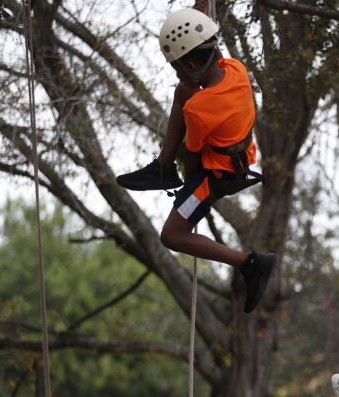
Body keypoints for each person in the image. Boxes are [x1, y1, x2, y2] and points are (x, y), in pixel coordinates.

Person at [116, 6, 274, 313]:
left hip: (218, 176)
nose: (177, 73)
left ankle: (250, 263)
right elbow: (205, 59)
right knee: (182, 91)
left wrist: (189, 193)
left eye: (177, 67)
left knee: (171, 235)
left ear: (192, 62)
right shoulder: (235, 69)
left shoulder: (199, 109)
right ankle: (162, 167)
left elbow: (193, 156)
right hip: (239, 158)